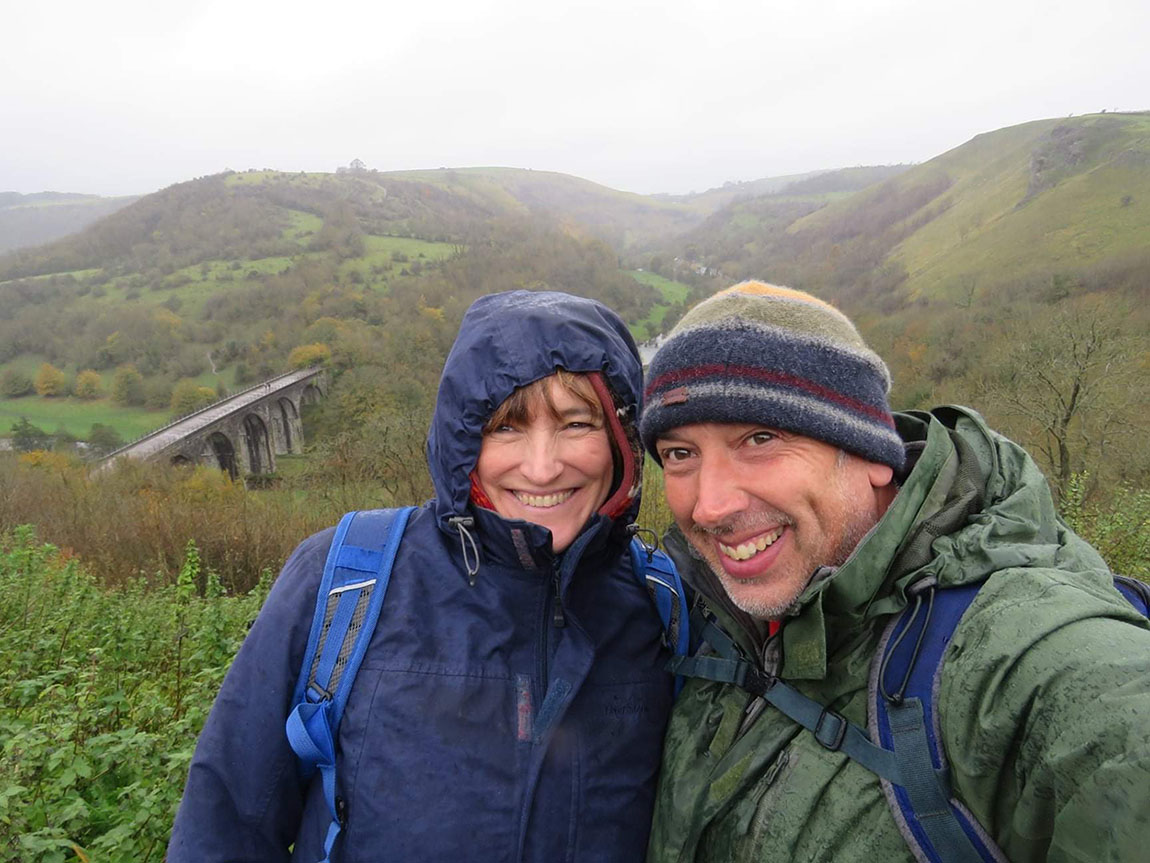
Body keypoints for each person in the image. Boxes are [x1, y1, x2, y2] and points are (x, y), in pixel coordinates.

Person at [638, 280, 1150, 862]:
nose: (709, 506)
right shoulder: (708, 615)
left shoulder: (1022, 655)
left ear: (871, 456)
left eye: (760, 438)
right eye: (680, 453)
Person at [168, 290, 674, 862]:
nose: (542, 466)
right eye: (505, 428)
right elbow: (225, 827)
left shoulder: (664, 607)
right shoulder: (346, 581)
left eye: (577, 423)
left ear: (620, 440)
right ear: (462, 443)